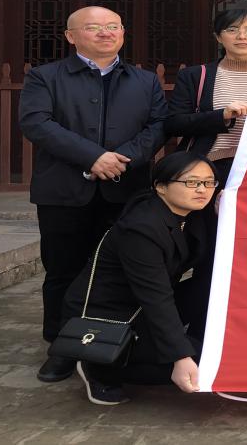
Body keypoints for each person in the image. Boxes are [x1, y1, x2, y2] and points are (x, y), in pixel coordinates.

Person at [18, 6, 166, 384]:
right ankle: (61, 347)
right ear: (71, 36)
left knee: (120, 271)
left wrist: (121, 160)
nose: (105, 33)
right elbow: (37, 123)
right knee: (62, 271)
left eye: (113, 26)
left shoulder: (144, 80)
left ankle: (112, 343)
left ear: (123, 33)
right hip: (64, 193)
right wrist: (93, 157)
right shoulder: (45, 77)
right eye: (94, 27)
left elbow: (157, 127)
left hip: (125, 191)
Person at [164, 8, 247, 339]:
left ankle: (245, 327)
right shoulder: (197, 75)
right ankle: (200, 330)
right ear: (218, 36)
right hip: (207, 172)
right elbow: (174, 122)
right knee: (208, 252)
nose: (242, 36)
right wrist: (220, 116)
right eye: (233, 30)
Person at [60, 151, 220, 406]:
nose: (202, 189)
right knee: (207, 362)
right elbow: (156, 298)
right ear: (161, 187)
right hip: (110, 317)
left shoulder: (192, 213)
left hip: (142, 308)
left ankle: (190, 345)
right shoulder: (141, 228)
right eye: (191, 182)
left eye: (209, 182)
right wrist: (181, 355)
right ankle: (99, 366)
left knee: (213, 288)